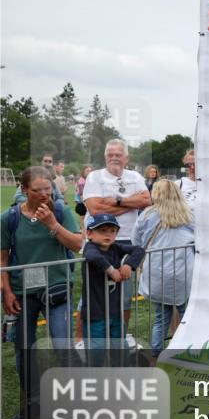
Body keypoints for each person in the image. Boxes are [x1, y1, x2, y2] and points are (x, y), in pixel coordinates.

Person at [1, 166, 83, 419]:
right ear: (24, 190)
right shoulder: (9, 218)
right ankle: (31, 404)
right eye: (37, 190)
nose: (44, 194)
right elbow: (2, 259)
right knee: (24, 349)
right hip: (23, 293)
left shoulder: (61, 211)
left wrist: (52, 224)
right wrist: (6, 291)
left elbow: (78, 244)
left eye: (48, 189)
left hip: (57, 290)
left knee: (62, 345)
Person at [82, 139, 152, 329]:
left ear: (126, 158)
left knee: (125, 293)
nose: (114, 157)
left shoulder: (135, 176)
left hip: (127, 240)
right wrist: (132, 202)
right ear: (105, 157)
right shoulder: (95, 177)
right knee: (91, 294)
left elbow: (147, 200)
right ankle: (84, 339)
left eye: (118, 154)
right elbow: (95, 209)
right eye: (110, 154)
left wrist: (117, 201)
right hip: (98, 244)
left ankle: (121, 334)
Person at [133, 180, 194, 358]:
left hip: (156, 272)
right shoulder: (188, 215)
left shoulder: (146, 216)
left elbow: (136, 241)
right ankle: (186, 351)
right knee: (186, 315)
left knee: (161, 317)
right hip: (182, 271)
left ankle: (156, 354)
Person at [81, 214, 145, 363]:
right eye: (102, 230)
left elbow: (139, 250)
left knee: (120, 349)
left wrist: (129, 264)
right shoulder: (90, 247)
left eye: (112, 230)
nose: (108, 234)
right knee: (96, 353)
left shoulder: (115, 247)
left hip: (115, 312)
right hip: (95, 314)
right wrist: (111, 271)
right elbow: (93, 257)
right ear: (89, 233)